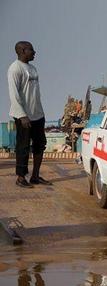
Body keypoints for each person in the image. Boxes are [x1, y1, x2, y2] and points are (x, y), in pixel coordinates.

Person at [8, 41, 52, 188]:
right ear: (22, 50)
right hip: (23, 116)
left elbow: (35, 94)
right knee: (23, 146)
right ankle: (21, 178)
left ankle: (35, 176)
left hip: (37, 114)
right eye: (31, 50)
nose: (34, 52)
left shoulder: (33, 69)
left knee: (40, 144)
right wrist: (22, 115)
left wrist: (40, 112)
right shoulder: (15, 69)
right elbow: (14, 95)